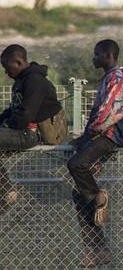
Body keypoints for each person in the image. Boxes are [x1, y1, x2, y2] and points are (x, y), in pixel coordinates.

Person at [67, 39, 123, 267]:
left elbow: (107, 114)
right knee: (80, 188)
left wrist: (88, 136)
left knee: (77, 165)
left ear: (109, 56)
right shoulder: (109, 78)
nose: (93, 58)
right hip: (107, 132)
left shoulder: (117, 79)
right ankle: (98, 247)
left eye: (96, 54)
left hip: (113, 133)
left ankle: (99, 196)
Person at [0, 44, 63, 214]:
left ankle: (5, 190)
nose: (6, 72)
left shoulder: (35, 81)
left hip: (30, 134)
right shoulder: (22, 80)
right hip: (21, 129)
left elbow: (25, 116)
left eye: (7, 68)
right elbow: (13, 111)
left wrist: (6, 125)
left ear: (18, 62)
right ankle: (5, 190)